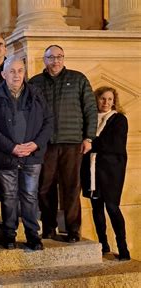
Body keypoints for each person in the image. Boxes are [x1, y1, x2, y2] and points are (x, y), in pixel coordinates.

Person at [0, 57, 53, 250]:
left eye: (20, 71)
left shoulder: (36, 94)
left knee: (30, 196)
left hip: (32, 156)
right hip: (6, 156)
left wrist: (35, 145)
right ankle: (8, 235)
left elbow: (48, 122)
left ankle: (33, 236)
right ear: (3, 74)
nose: (16, 75)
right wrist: (11, 147)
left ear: (24, 73)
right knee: (9, 196)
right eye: (12, 71)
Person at [29, 44, 97, 243]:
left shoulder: (78, 79)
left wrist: (88, 137)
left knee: (71, 187)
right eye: (51, 57)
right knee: (45, 187)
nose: (55, 61)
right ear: (45, 60)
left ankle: (73, 230)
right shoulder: (35, 83)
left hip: (72, 142)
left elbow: (90, 110)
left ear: (63, 58)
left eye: (59, 57)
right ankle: (49, 227)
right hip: (45, 143)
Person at [81, 86, 130, 261]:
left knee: (112, 207)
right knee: (96, 207)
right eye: (103, 98)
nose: (106, 102)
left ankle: (123, 247)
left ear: (114, 101)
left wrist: (91, 143)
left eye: (110, 99)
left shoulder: (119, 119)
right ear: (97, 100)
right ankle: (103, 244)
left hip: (111, 171)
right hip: (91, 168)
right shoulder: (90, 119)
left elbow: (114, 145)